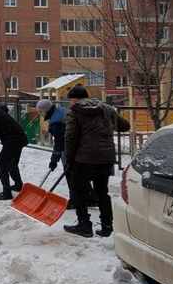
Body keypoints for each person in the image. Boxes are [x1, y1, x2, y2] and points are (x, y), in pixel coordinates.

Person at [63, 84, 130, 238]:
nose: (70, 103)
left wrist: (70, 158)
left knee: (77, 190)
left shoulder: (74, 111)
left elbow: (70, 137)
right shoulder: (106, 108)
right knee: (102, 192)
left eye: (70, 100)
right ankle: (107, 225)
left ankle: (84, 224)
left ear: (74, 99)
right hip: (105, 157)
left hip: (85, 157)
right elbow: (125, 126)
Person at [35, 99, 97, 210]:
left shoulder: (56, 121)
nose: (40, 114)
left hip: (73, 148)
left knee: (71, 174)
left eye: (41, 112)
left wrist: (54, 160)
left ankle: (75, 201)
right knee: (79, 173)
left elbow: (60, 143)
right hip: (82, 144)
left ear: (47, 110)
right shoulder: (60, 110)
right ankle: (91, 198)